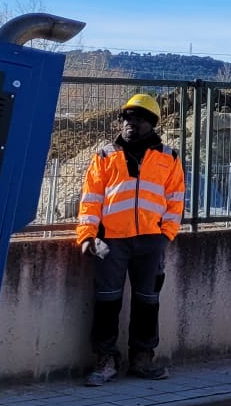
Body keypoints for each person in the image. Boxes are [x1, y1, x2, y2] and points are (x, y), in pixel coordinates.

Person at [76, 92, 187, 385]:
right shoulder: (104, 156)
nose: (130, 123)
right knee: (106, 302)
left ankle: (142, 358)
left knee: (147, 302)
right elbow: (90, 199)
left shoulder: (169, 157)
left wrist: (166, 235)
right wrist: (87, 236)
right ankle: (106, 359)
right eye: (126, 117)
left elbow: (176, 200)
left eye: (137, 118)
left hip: (151, 242)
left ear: (152, 123)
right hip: (110, 242)